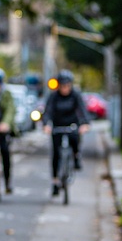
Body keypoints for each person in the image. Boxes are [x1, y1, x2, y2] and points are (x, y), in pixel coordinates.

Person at [42, 69, 91, 197]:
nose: (65, 88)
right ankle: (55, 182)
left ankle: (76, 156)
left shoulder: (75, 95)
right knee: (56, 154)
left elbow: (82, 110)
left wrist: (85, 123)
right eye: (62, 86)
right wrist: (46, 124)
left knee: (75, 139)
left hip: (72, 125)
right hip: (57, 126)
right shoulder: (53, 96)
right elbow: (47, 111)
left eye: (67, 86)